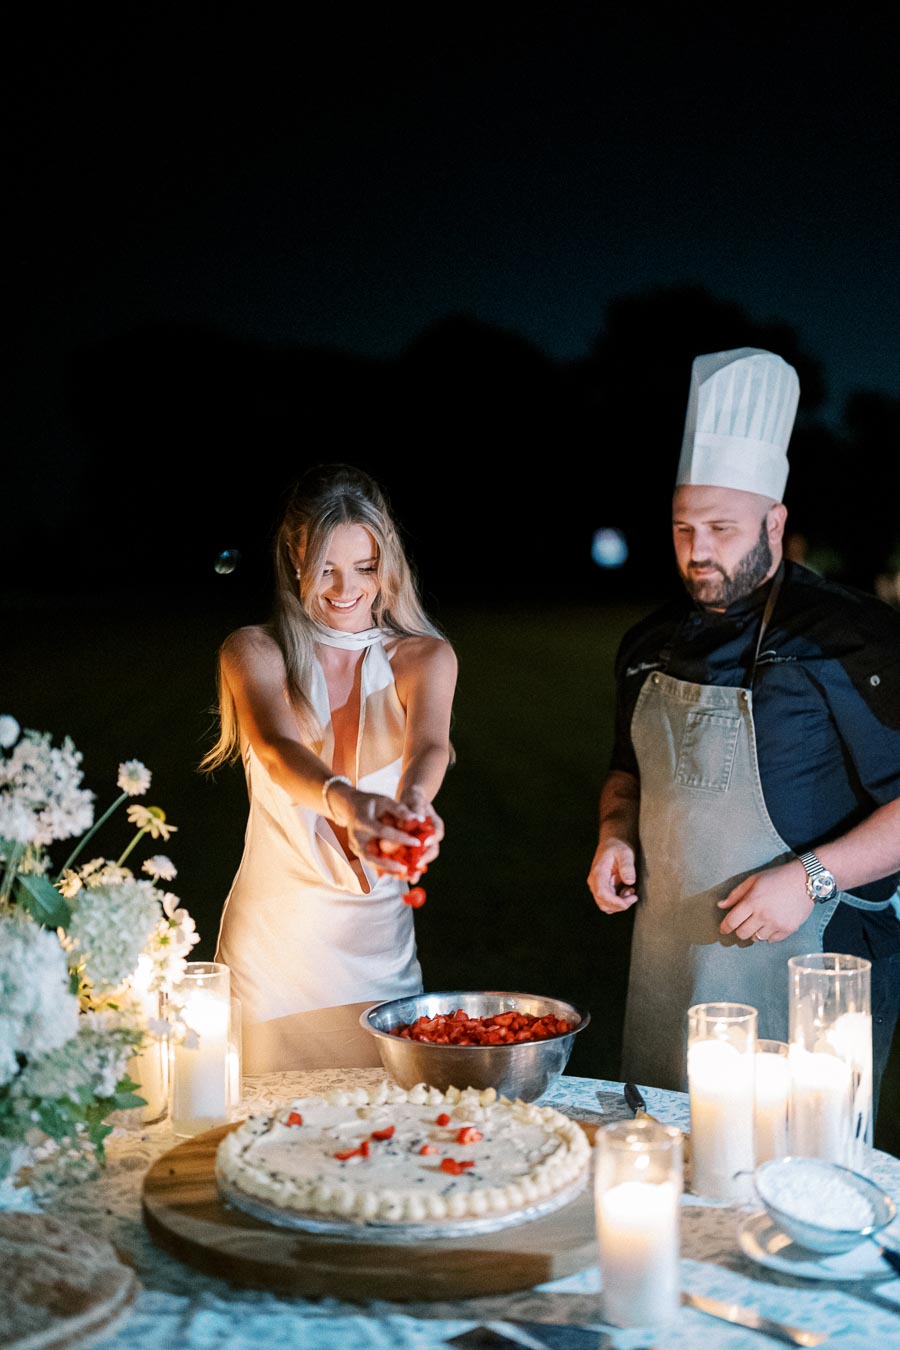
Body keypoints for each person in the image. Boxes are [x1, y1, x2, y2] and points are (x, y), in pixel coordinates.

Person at [587, 347, 900, 1117]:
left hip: (815, 971)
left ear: (776, 520)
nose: (698, 550)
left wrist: (810, 878)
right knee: (672, 1163)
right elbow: (627, 775)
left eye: (723, 528)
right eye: (683, 527)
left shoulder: (850, 637)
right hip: (668, 972)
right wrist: (615, 834)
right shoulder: (647, 644)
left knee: (796, 1174)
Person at [202, 462, 458, 1072]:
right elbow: (276, 751)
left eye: (365, 568)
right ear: (295, 555)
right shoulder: (253, 650)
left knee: (381, 1129)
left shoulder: (425, 656)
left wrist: (413, 806)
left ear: (387, 563)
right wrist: (349, 800)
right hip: (276, 953)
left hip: (380, 952)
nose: (346, 589)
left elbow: (430, 747)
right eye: (327, 568)